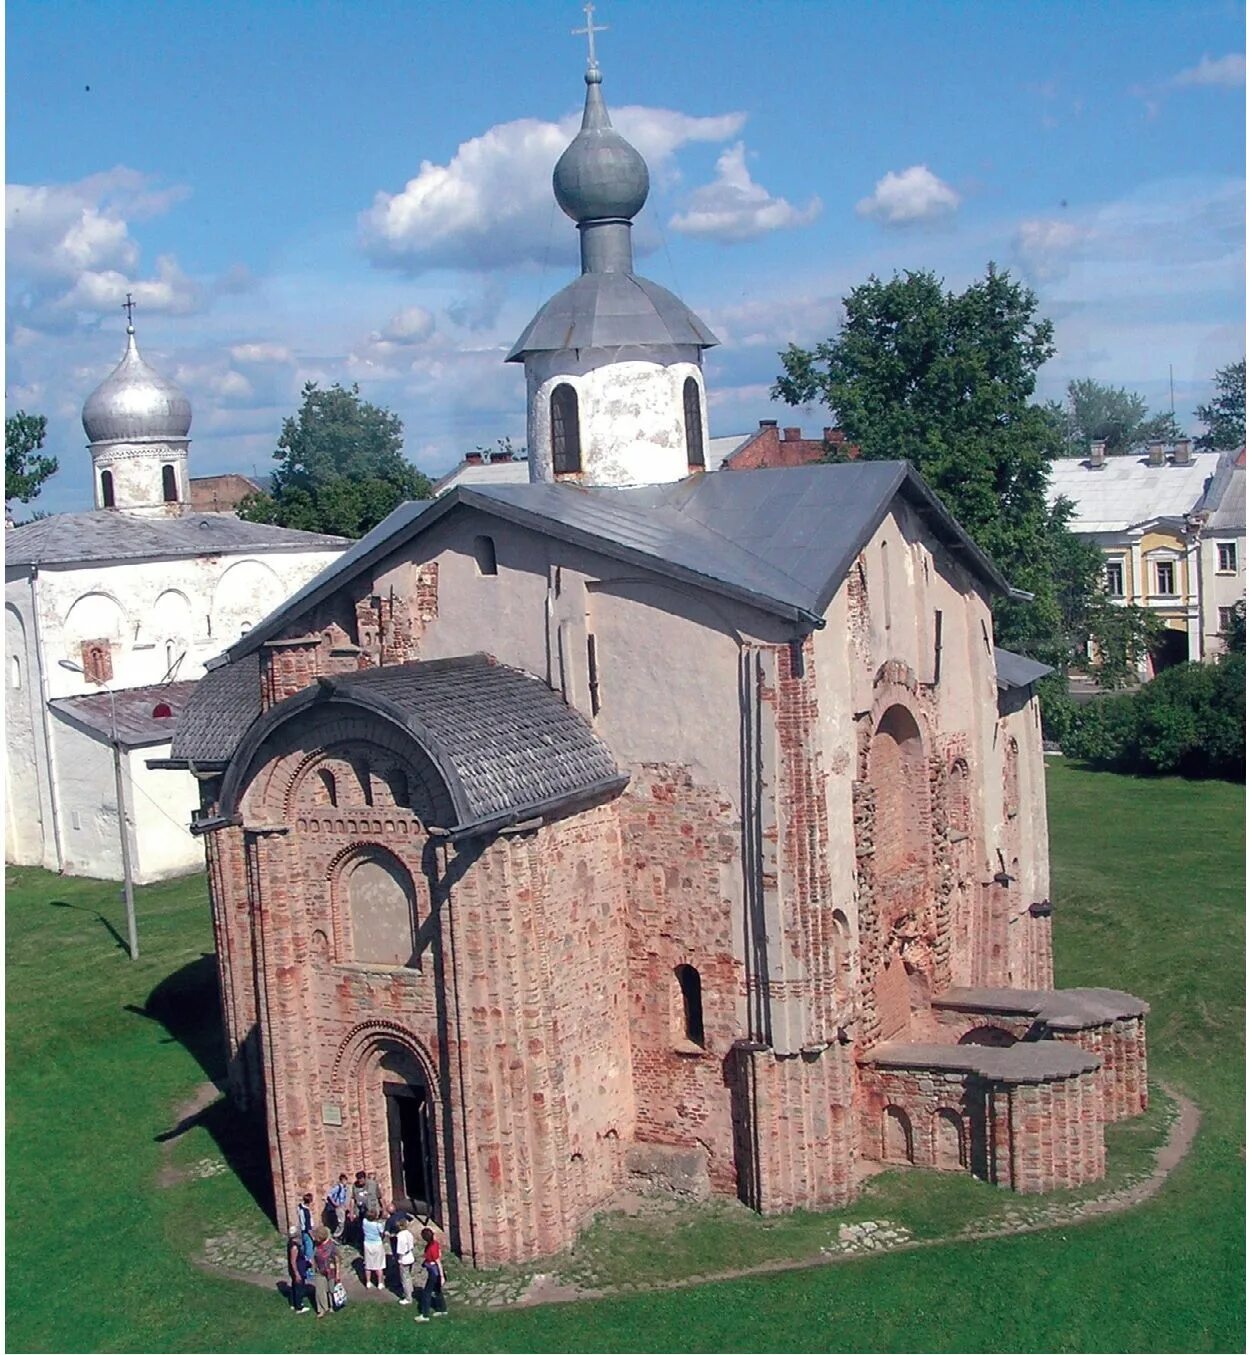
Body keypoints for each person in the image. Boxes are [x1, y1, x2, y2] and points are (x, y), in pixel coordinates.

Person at [414, 1226, 447, 1321]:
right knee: (437, 1291)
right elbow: (439, 1254)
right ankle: (442, 1309)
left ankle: (425, 1315)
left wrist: (441, 1277)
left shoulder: (431, 1248)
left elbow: (438, 1262)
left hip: (434, 1273)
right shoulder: (435, 1244)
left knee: (426, 1293)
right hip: (434, 1271)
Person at [311, 1226, 339, 1319]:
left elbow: (337, 1260)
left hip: (331, 1271)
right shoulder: (316, 1245)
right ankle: (322, 1309)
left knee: (331, 1290)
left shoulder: (331, 1246)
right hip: (319, 1270)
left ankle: (332, 1306)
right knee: (319, 1290)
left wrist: (337, 1274)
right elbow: (314, 1257)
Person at [360, 1207, 387, 1291]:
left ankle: (368, 1282)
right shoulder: (378, 1225)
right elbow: (382, 1233)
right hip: (377, 1244)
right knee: (379, 1265)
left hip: (367, 1243)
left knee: (368, 1264)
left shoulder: (364, 1222)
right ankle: (380, 1283)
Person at [285, 1225, 310, 1314]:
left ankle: (294, 1303)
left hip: (296, 1269)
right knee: (299, 1287)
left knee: (295, 1286)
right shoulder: (294, 1247)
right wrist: (297, 1274)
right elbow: (293, 1261)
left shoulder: (290, 1243)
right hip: (298, 1270)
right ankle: (299, 1307)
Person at [393, 1217, 417, 1306]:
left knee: (404, 1279)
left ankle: (408, 1298)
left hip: (404, 1259)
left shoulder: (400, 1236)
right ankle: (411, 1291)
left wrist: (399, 1259)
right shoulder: (409, 1234)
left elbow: (401, 1250)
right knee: (408, 1277)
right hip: (410, 1256)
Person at [325, 1174, 349, 1239]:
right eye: (345, 1180)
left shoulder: (344, 1188)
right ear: (343, 1180)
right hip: (338, 1207)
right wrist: (335, 1203)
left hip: (342, 1206)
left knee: (342, 1221)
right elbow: (329, 1195)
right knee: (341, 1222)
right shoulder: (338, 1187)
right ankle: (336, 1235)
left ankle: (339, 1235)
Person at [296, 1192, 315, 1264]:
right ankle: (308, 1267)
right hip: (307, 1232)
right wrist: (313, 1237)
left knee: (304, 1247)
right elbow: (308, 1227)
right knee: (309, 1250)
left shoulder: (300, 1206)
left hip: (302, 1230)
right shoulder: (306, 1212)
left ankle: (302, 1261)